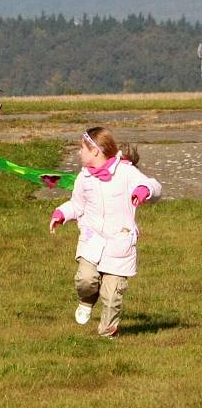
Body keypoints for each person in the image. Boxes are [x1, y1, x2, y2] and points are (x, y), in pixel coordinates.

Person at [49, 127, 161, 338]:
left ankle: (107, 334)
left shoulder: (126, 172)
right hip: (91, 241)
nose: (78, 152)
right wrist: (61, 214)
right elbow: (77, 204)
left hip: (119, 245)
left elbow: (153, 186)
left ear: (96, 151)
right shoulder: (84, 178)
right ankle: (86, 300)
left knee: (112, 296)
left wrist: (143, 191)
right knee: (85, 279)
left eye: (82, 148)